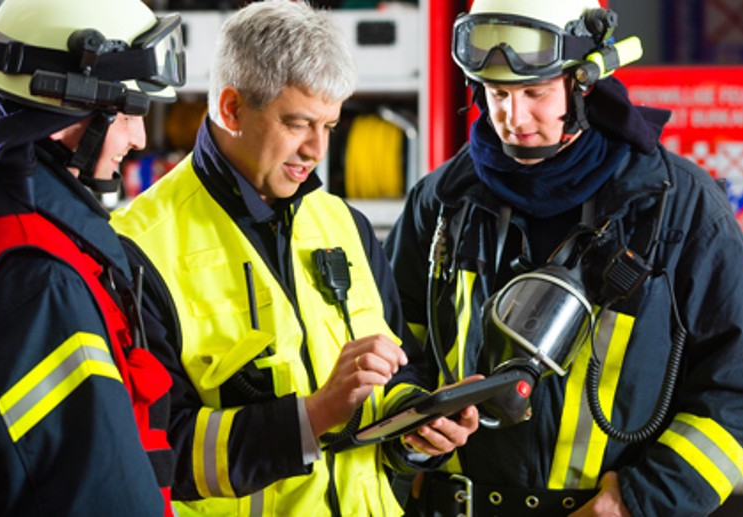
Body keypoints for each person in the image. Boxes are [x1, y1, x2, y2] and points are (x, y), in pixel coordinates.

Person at [384, 0, 743, 515]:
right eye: (496, 93)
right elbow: (390, 345)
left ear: (584, 84)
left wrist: (638, 502)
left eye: (534, 93)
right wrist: (410, 420)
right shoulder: (444, 201)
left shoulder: (679, 207)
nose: (511, 118)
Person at [111, 1, 479, 515]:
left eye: (329, 125)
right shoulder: (138, 249)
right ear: (232, 108)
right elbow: (155, 452)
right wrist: (313, 416)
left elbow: (400, 373)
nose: (317, 149)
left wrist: (416, 424)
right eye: (298, 123)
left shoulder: (345, 225)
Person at [0, 0, 187, 514]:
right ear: (67, 107)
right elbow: (95, 494)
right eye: (128, 112)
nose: (139, 137)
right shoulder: (40, 278)